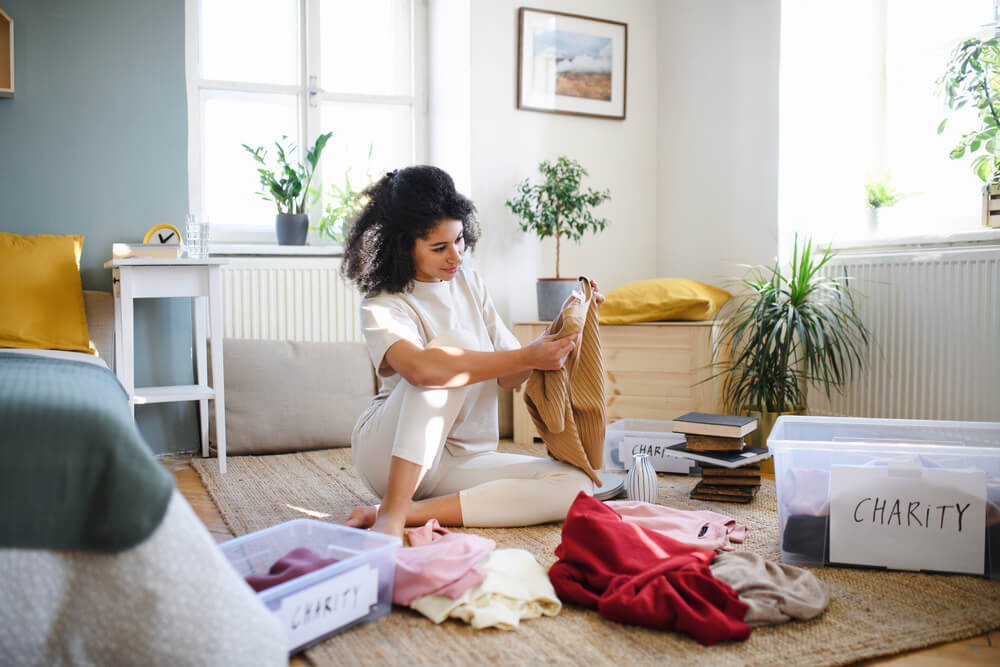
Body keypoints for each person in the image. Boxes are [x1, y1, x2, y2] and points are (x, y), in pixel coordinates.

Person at [340, 165, 603, 538]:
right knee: (449, 353)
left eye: (460, 240)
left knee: (578, 485)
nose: (456, 256)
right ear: (403, 246)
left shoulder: (470, 283)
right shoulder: (382, 304)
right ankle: (392, 513)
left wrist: (562, 329)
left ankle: (409, 512)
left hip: (464, 458)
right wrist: (527, 356)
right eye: (439, 247)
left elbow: (512, 375)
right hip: (389, 456)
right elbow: (421, 371)